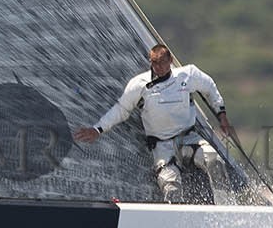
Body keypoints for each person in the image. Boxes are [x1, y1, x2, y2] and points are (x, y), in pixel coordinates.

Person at [73, 43, 233, 204]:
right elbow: (121, 109)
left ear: (170, 60)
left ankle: (226, 205)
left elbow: (210, 87)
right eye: (154, 63)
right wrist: (97, 129)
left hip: (189, 139)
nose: (159, 67)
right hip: (163, 147)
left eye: (162, 62)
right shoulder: (139, 84)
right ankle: (176, 219)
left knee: (214, 160)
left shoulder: (188, 74)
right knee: (171, 188)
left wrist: (222, 115)